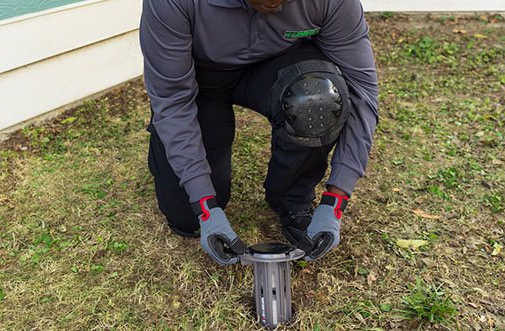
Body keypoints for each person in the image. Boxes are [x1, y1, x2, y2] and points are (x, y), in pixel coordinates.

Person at [140, 0, 379, 265]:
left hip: (276, 66)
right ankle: (165, 151)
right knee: (186, 215)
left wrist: (337, 198)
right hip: (201, 80)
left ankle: (289, 195)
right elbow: (173, 101)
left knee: (317, 97)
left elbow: (362, 92)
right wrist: (205, 205)